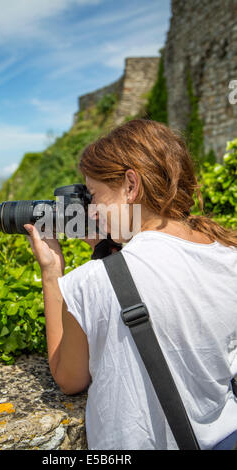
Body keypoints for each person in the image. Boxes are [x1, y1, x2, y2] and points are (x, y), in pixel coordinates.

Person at [24, 119, 237, 450]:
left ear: (131, 185)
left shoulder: (95, 281)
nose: (91, 211)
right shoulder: (228, 251)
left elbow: (68, 377)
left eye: (93, 195)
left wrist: (52, 270)